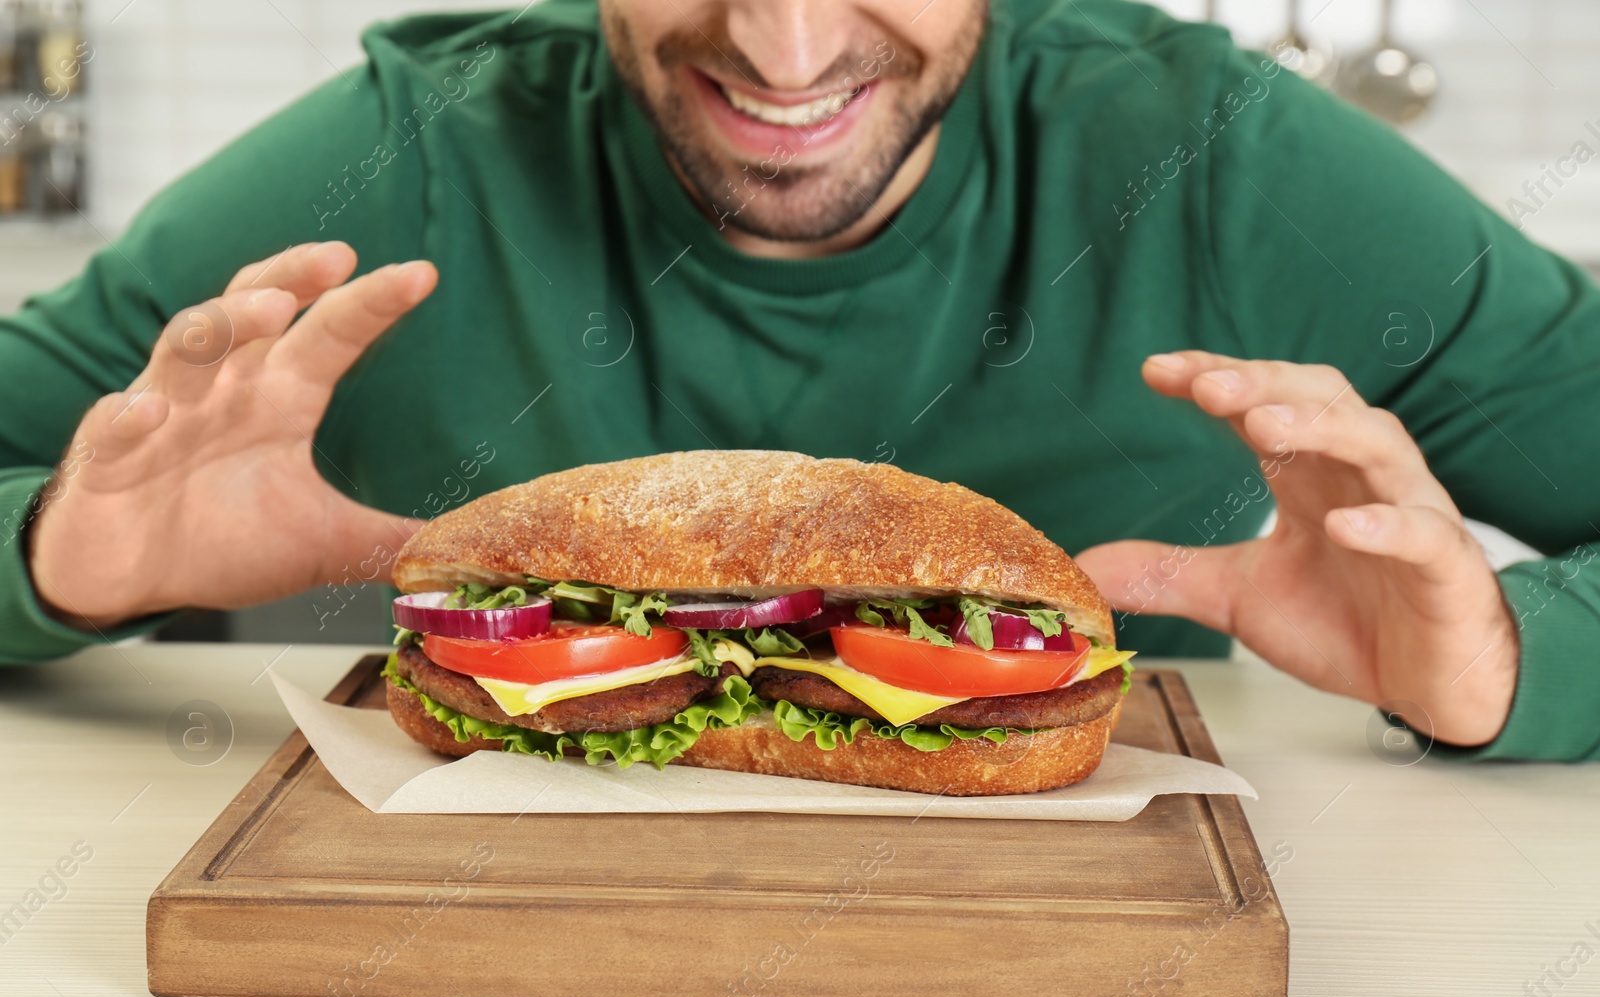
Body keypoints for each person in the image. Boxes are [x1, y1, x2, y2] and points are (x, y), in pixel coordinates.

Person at [2, 0, 1596, 761]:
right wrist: (54, 562)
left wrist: (1517, 667)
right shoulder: (414, 152)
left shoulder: (1222, 159)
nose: (781, 50)